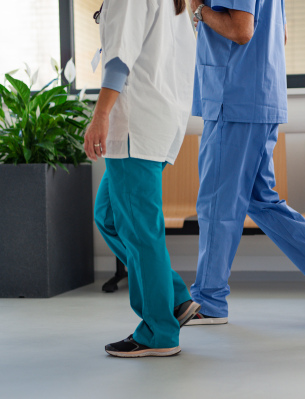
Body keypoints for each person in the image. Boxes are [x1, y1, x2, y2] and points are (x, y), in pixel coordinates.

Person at [185, 0, 305, 326]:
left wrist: (199, 10)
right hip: (255, 96)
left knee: (217, 203)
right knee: (259, 199)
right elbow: (281, 36)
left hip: (234, 100)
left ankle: (208, 301)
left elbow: (240, 29)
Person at [85, 0, 200, 357]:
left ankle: (158, 331)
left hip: (136, 122)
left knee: (139, 231)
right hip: (160, 119)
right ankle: (176, 299)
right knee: (108, 216)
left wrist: (100, 114)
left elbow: (120, 57)